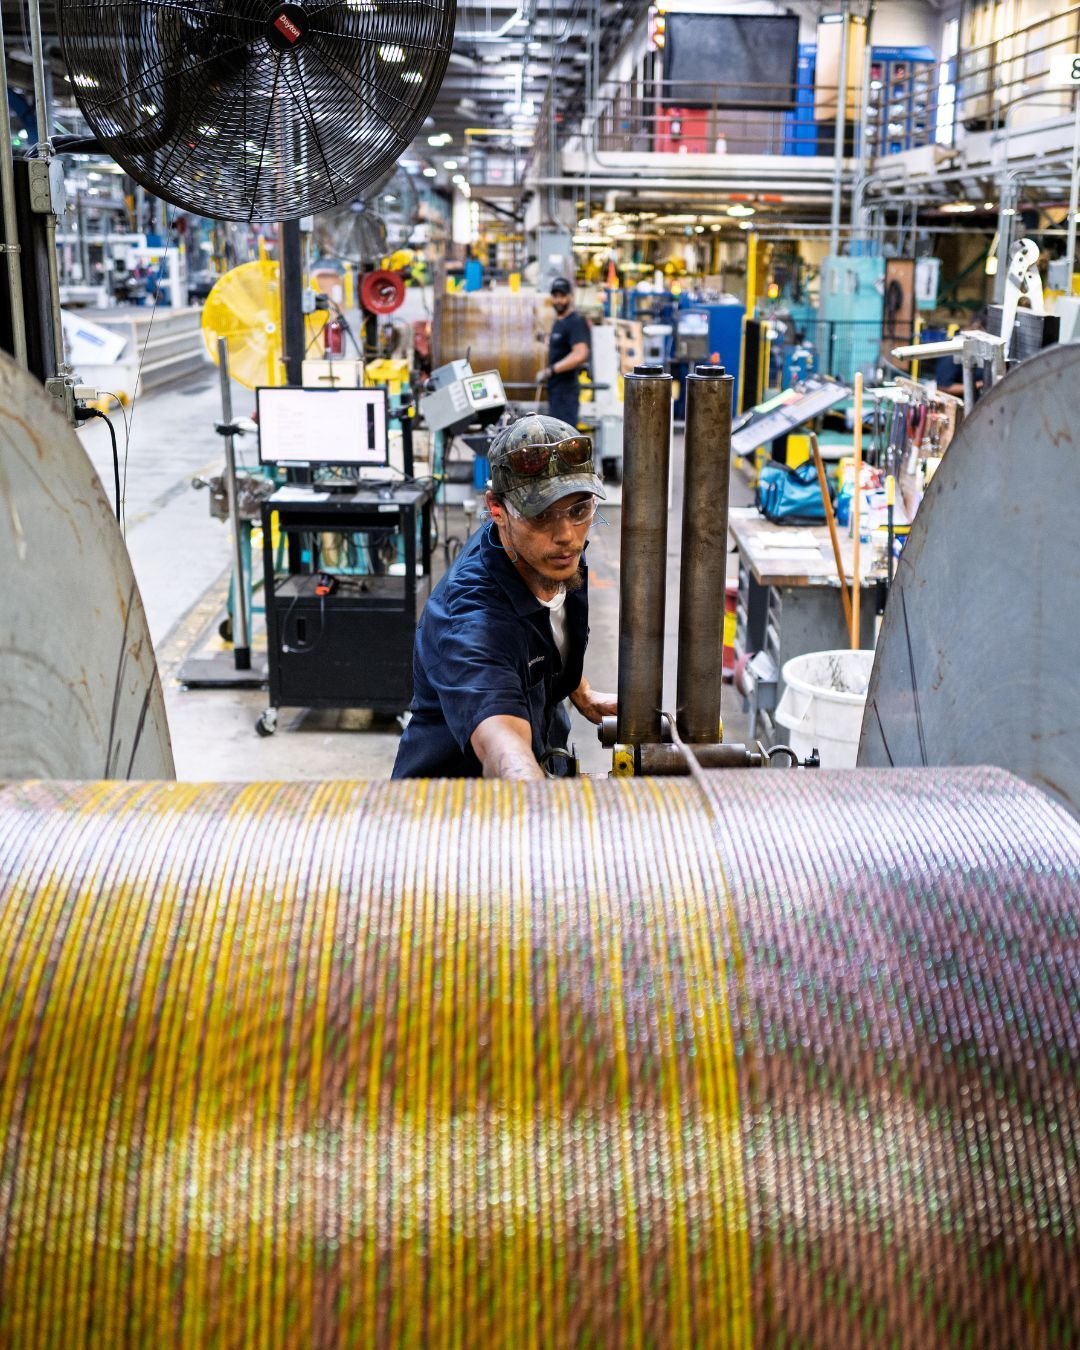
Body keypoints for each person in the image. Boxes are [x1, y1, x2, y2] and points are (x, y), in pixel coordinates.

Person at [392, 415, 616, 780]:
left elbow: (545, 636)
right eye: (541, 514)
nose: (567, 536)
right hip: (456, 813)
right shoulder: (469, 621)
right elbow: (503, 745)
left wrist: (581, 691)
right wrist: (534, 795)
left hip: (542, 760)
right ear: (497, 508)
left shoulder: (554, 558)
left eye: (579, 510)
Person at [537, 277, 591, 428]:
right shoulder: (559, 322)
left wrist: (551, 370)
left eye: (562, 296)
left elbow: (580, 354)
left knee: (565, 440)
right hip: (556, 392)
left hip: (566, 393)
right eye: (555, 296)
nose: (558, 300)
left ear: (571, 297)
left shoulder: (575, 322)